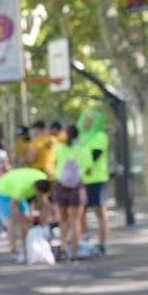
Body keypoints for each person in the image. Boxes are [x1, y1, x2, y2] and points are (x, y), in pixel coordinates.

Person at [0, 166, 52, 264]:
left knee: (26, 222)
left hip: (17, 184)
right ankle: (13, 250)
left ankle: (25, 250)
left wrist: (43, 224)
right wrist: (25, 219)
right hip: (3, 190)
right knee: (12, 220)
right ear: (36, 189)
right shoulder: (22, 188)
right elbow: (13, 208)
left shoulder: (43, 179)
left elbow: (44, 201)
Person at [51, 124, 88, 261]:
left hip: (60, 186)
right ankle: (74, 253)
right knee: (75, 221)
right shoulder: (83, 150)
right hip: (76, 187)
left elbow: (54, 164)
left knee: (62, 221)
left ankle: (62, 249)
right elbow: (88, 169)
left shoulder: (59, 148)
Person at [79, 106, 110, 256]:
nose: (87, 122)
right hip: (81, 180)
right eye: (86, 119)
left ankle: (102, 244)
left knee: (100, 212)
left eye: (91, 120)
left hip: (96, 179)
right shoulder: (81, 137)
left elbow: (95, 155)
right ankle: (85, 241)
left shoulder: (100, 136)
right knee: (80, 211)